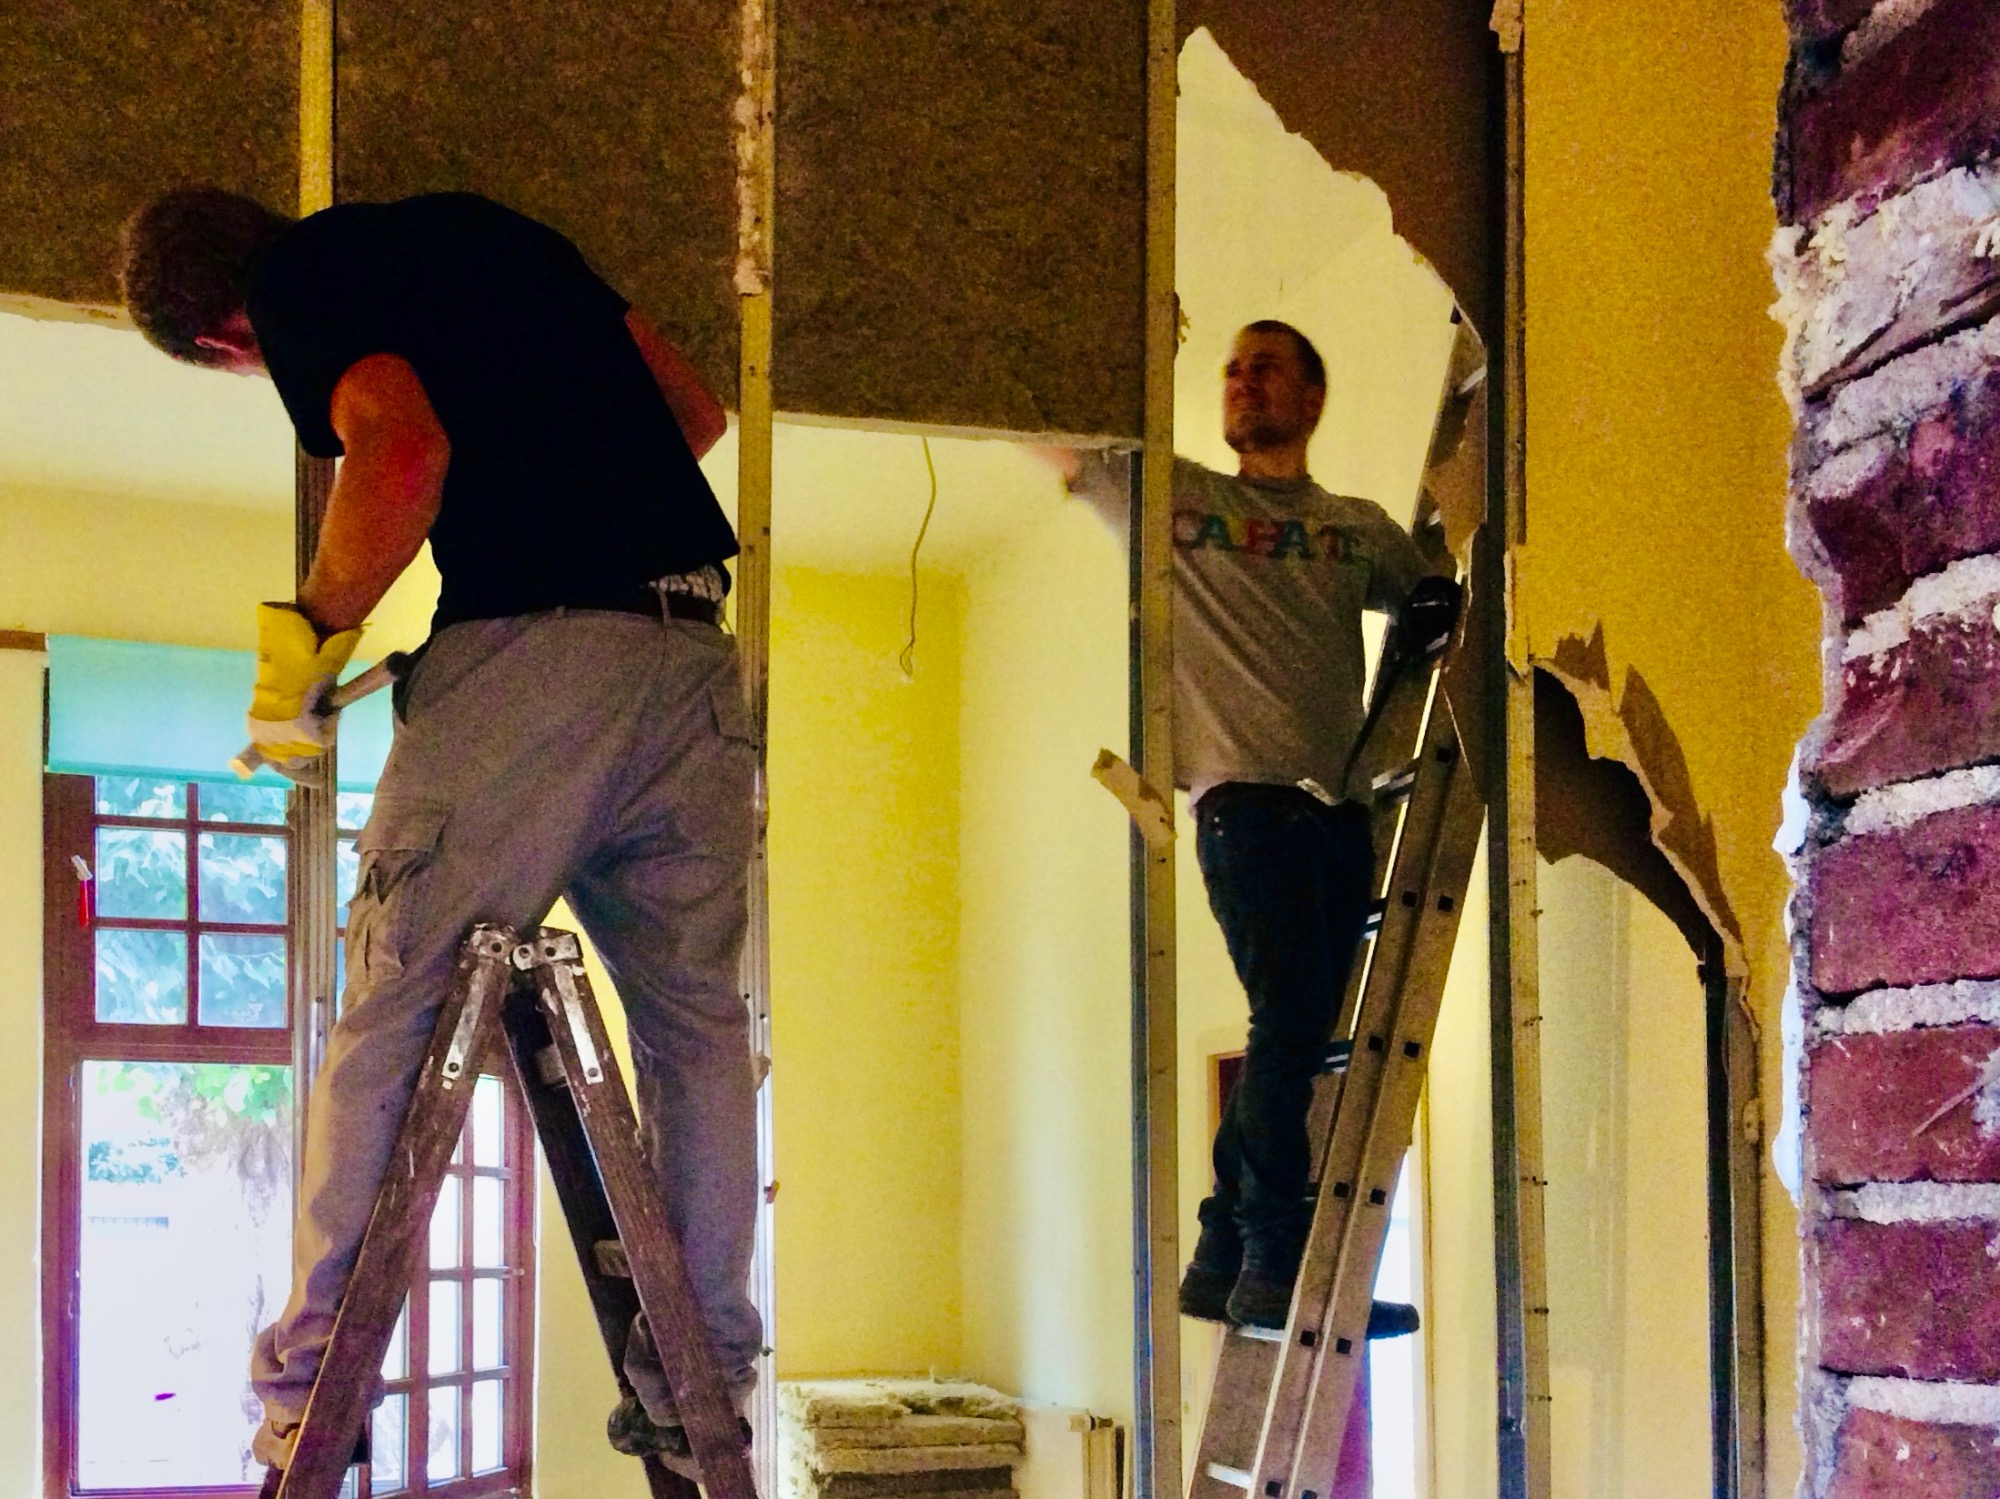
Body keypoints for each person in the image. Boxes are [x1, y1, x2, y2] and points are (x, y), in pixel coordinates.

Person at [121, 187, 759, 1462]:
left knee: (394, 1003)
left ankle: (314, 1374)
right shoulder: (498, 236)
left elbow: (401, 456)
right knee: (694, 1028)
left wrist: (307, 639)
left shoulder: (302, 278)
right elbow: (692, 415)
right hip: (693, 661)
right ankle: (699, 1377)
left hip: (533, 660)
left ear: (223, 338)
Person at [1038, 320, 1430, 1329]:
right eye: (1231, 370)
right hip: (1242, 807)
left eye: (1266, 368)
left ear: (1310, 399)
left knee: (1292, 1032)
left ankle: (1220, 1256)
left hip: (1337, 813)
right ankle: (1272, 1259)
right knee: (1286, 1023)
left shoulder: (1355, 528)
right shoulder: (1176, 499)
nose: (1242, 381)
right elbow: (1051, 433)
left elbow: (1438, 599)